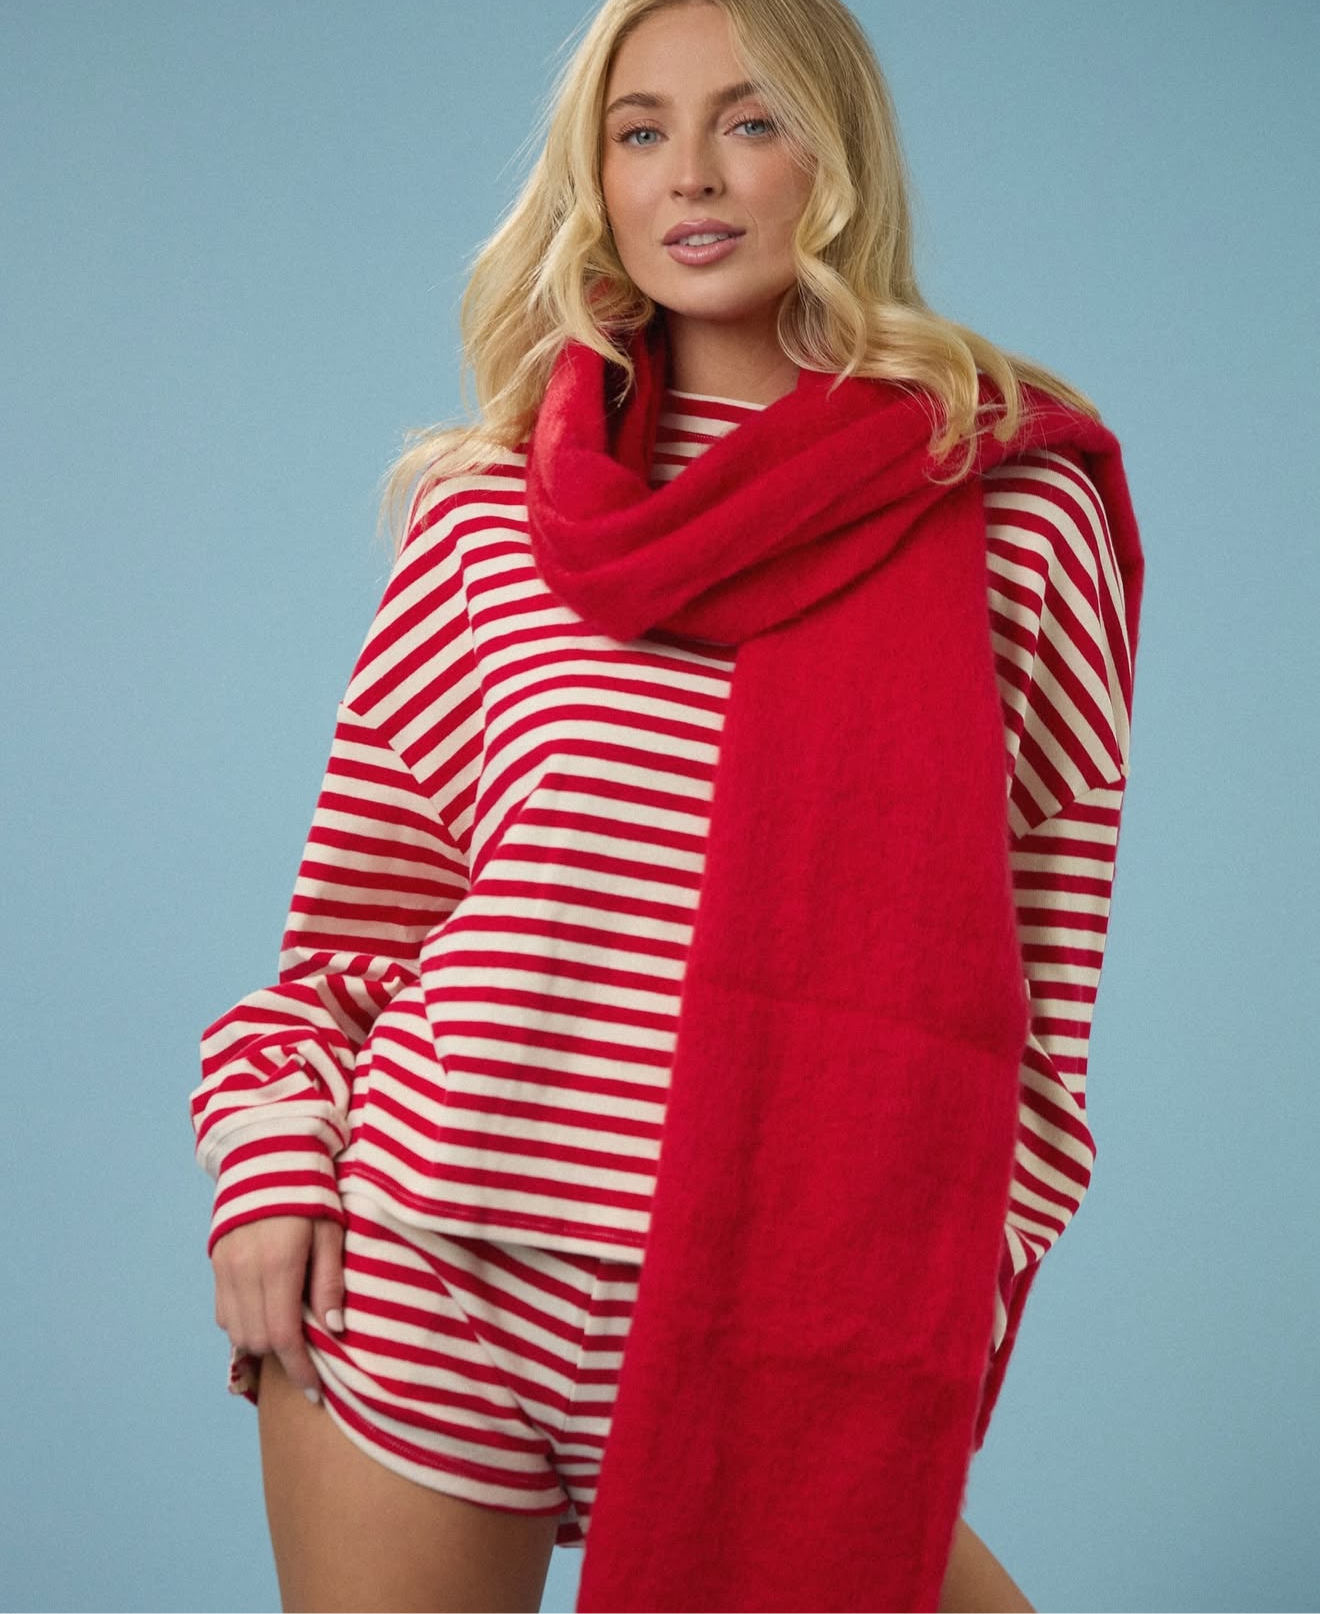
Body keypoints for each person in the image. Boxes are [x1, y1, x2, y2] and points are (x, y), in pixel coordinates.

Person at [191, 3, 1143, 1612]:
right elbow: (353, 938)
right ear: (600, 176)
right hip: (434, 1269)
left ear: (836, 159)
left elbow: (1039, 1018)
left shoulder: (1011, 511)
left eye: (749, 122)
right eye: (640, 131)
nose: (690, 173)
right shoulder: (490, 516)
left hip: (794, 1333)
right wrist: (272, 1157)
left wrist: (917, 1322)